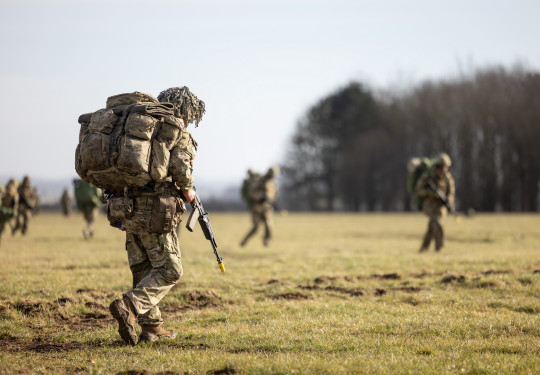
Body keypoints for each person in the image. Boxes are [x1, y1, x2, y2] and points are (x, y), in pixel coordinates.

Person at [108, 86, 204, 345]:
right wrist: (188, 191)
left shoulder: (141, 131)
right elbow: (180, 166)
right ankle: (129, 306)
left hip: (127, 207)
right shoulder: (176, 132)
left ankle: (151, 328)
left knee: (142, 266)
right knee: (171, 269)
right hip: (156, 210)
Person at [415, 153, 455, 252]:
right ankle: (439, 248)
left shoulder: (447, 178)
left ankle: (424, 248)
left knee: (432, 227)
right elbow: (418, 190)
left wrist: (449, 201)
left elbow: (451, 191)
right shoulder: (428, 176)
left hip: (440, 206)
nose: (443, 170)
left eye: (445, 168)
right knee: (437, 224)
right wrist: (430, 193)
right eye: (441, 167)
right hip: (429, 205)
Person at [240, 166, 279, 247]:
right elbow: (251, 192)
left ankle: (266, 240)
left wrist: (273, 202)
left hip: (267, 208)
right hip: (257, 208)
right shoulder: (259, 181)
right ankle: (244, 241)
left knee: (269, 225)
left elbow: (273, 194)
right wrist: (258, 197)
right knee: (256, 227)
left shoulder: (272, 183)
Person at [0, 179, 19, 247]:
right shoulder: (4, 192)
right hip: (3, 213)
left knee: (2, 229)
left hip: (4, 213)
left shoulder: (14, 195)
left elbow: (14, 206)